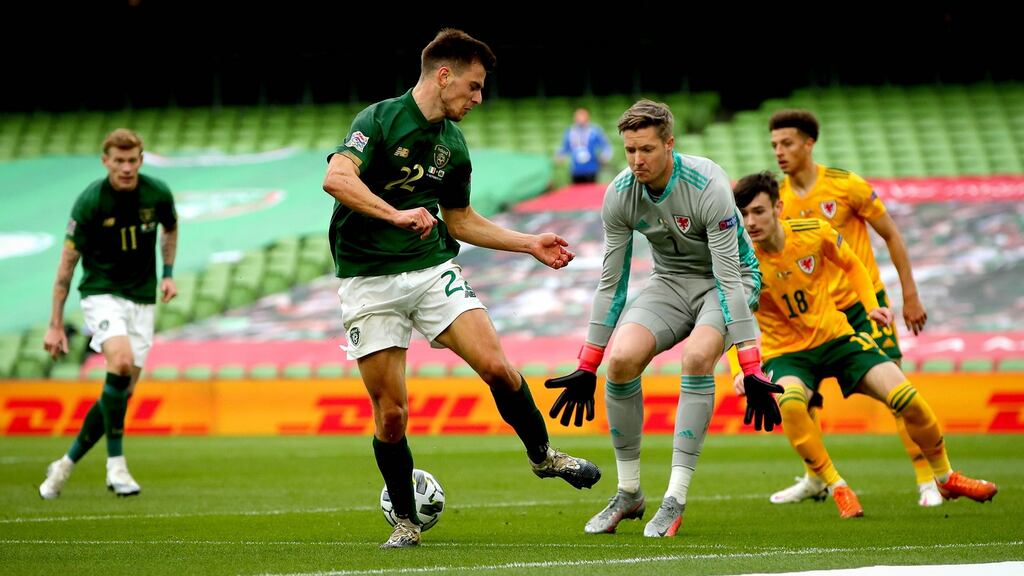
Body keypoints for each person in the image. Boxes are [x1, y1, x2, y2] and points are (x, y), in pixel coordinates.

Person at [322, 29, 601, 550]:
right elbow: (337, 178)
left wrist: (528, 243)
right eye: (473, 87)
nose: (478, 99)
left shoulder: (453, 145)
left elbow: (461, 219)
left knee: (497, 366)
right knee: (392, 415)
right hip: (367, 280)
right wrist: (396, 214)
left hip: (429, 270)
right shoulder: (379, 119)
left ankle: (543, 456)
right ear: (443, 75)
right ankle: (406, 520)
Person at [544, 99, 782, 538]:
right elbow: (610, 284)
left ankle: (675, 498)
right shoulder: (618, 193)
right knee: (621, 362)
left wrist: (751, 366)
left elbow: (730, 279)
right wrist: (587, 364)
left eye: (647, 149)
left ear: (670, 144)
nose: (637, 160)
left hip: (725, 281)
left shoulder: (708, 182)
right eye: (630, 150)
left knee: (696, 360)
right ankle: (630, 493)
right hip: (670, 282)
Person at [732, 171, 997, 518]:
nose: (750, 222)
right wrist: (742, 369)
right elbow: (729, 316)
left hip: (838, 338)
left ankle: (945, 476)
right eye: (744, 214)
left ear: (778, 207)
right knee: (793, 404)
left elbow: (852, 263)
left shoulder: (813, 233)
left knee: (907, 398)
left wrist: (871, 303)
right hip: (788, 354)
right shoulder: (738, 262)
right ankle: (836, 485)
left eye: (758, 212)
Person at [768, 109, 940, 507]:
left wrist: (909, 295)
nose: (780, 152)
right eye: (775, 145)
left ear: (809, 144)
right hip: (816, 313)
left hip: (864, 306)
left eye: (788, 143)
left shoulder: (847, 186)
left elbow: (891, 235)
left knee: (895, 387)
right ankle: (815, 477)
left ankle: (926, 478)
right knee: (802, 398)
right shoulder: (780, 200)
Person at [39, 128, 178, 500]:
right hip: (102, 295)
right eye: (119, 161)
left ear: (141, 161)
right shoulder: (90, 203)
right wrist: (55, 324)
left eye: (133, 160)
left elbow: (170, 227)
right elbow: (66, 266)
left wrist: (167, 274)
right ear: (106, 162)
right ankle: (116, 465)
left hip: (142, 301)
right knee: (119, 363)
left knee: (121, 393)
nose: (127, 168)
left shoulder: (157, 193)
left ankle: (64, 465)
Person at [557, 107, 614, 183]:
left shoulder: (595, 131)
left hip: (591, 168)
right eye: (578, 115)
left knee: (590, 192)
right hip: (575, 169)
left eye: (582, 115)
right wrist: (560, 155)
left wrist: (605, 156)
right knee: (577, 193)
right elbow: (564, 148)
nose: (580, 118)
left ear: (587, 116)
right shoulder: (569, 131)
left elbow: (606, 146)